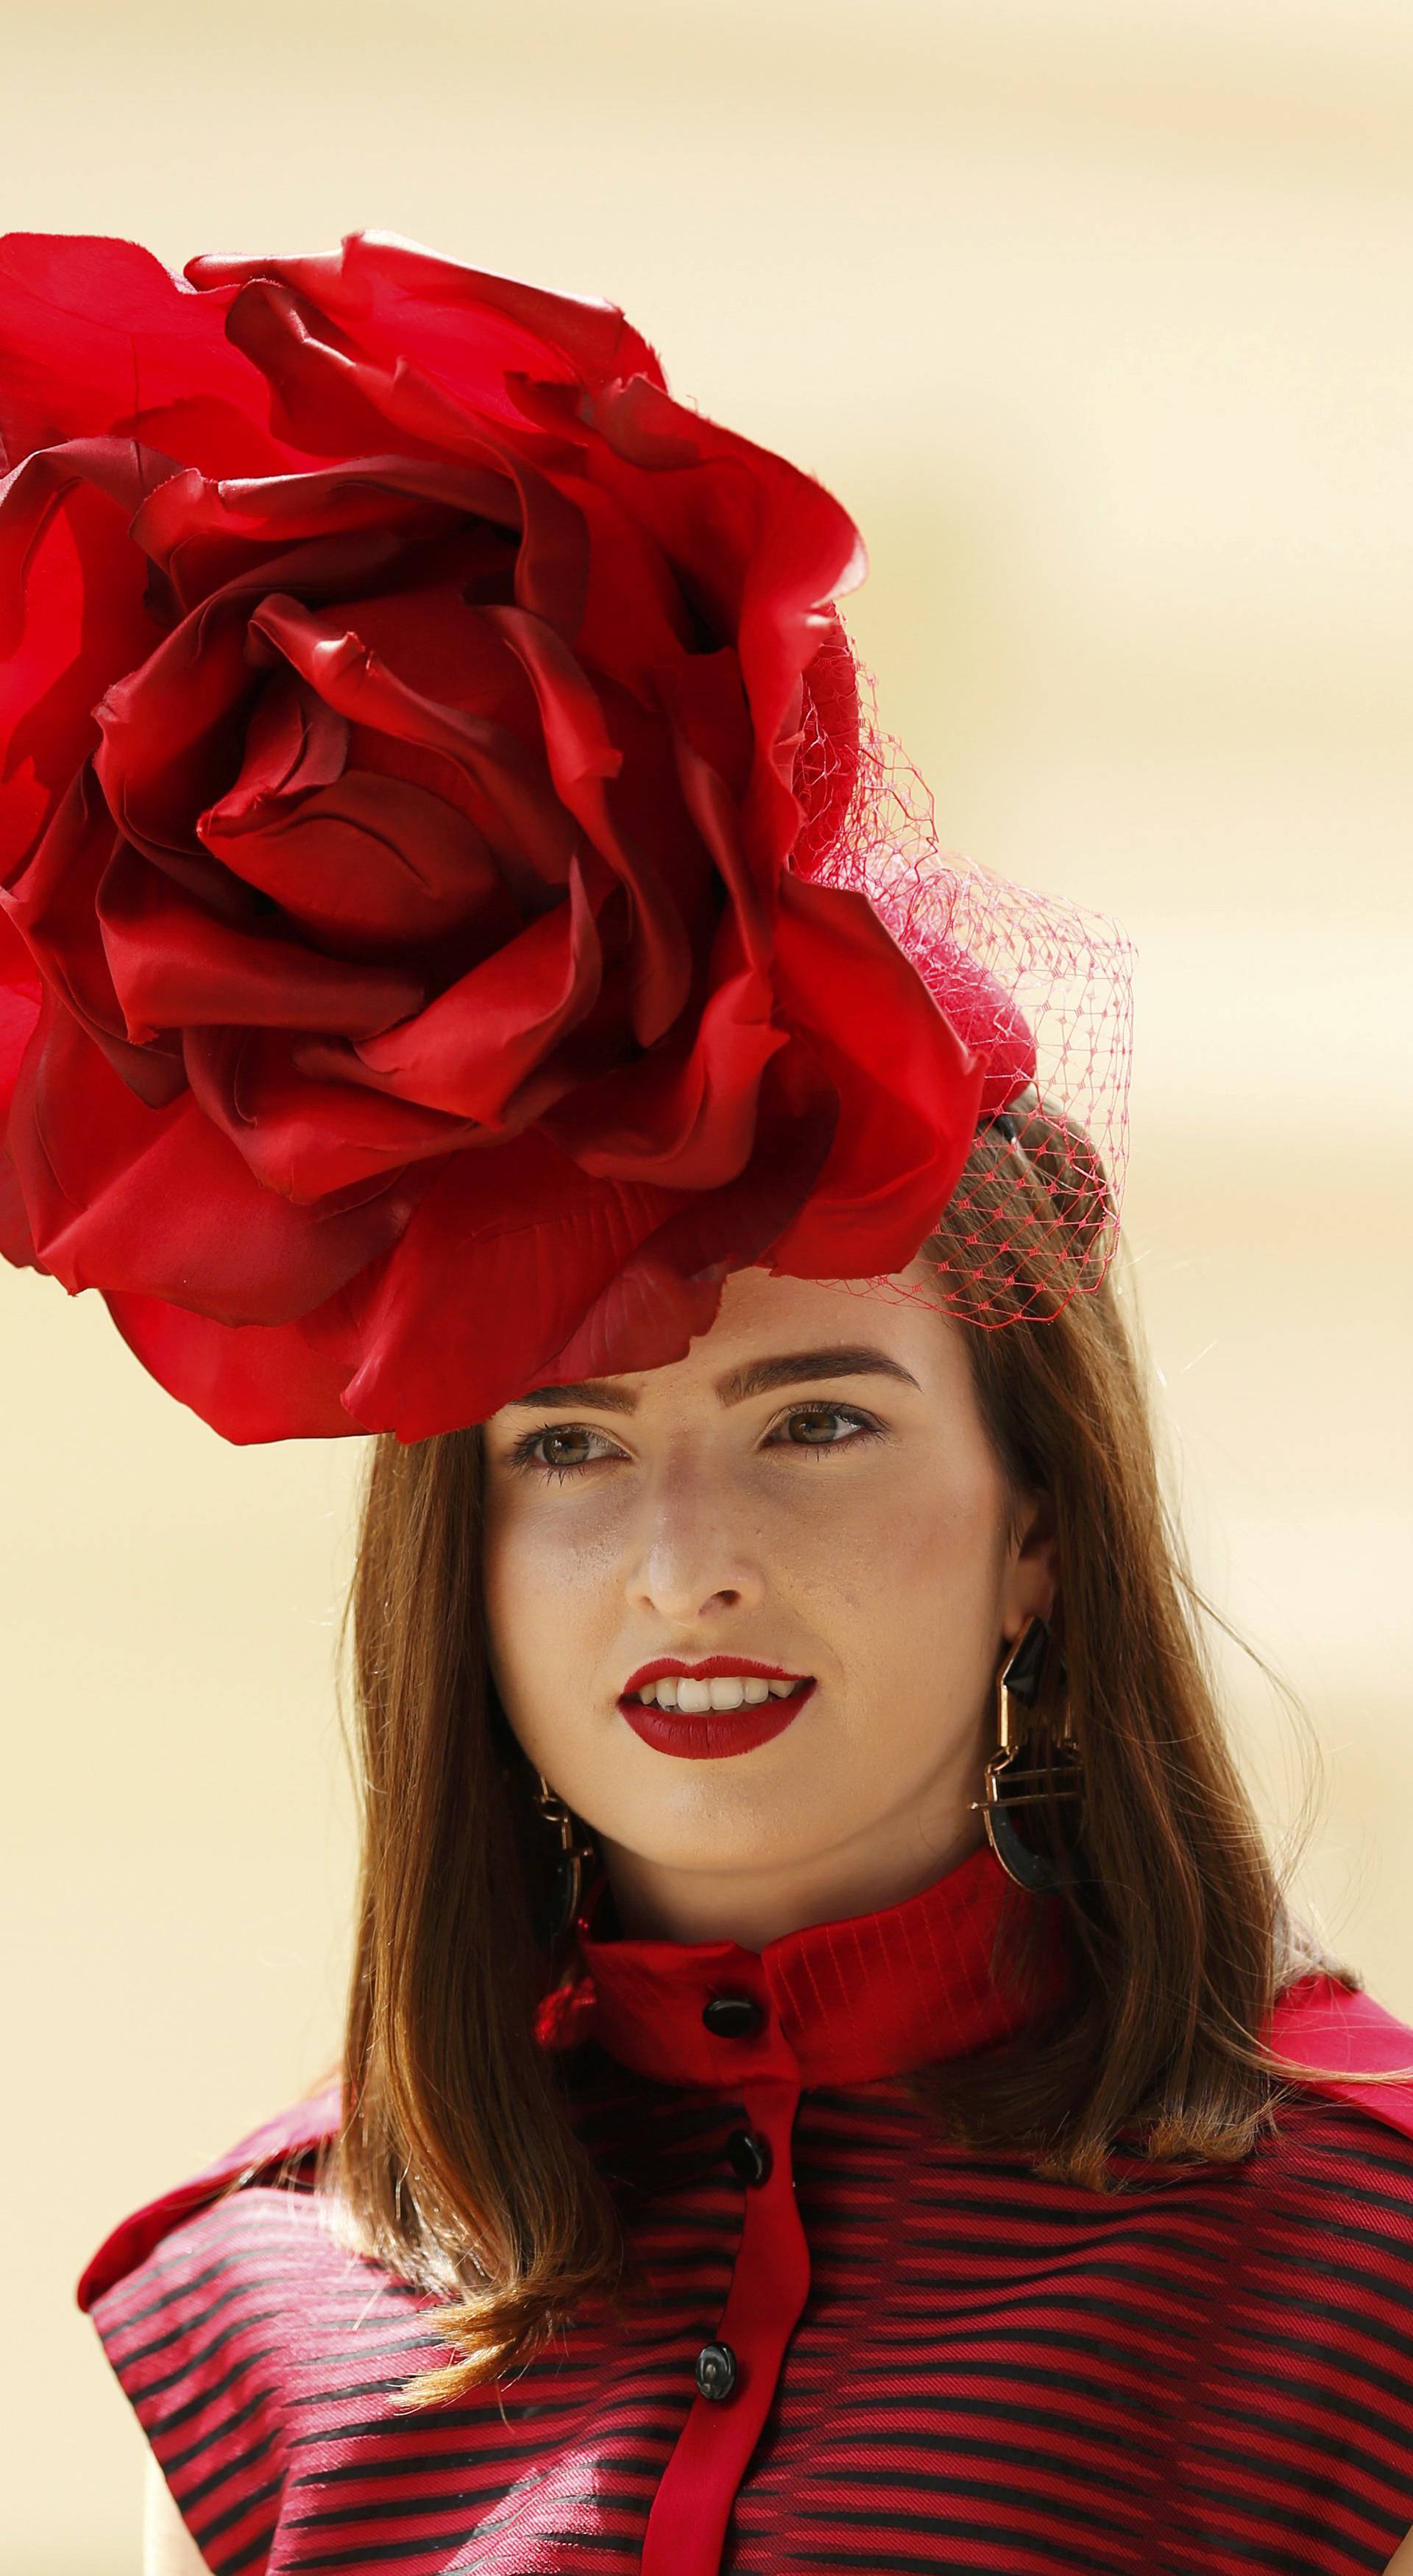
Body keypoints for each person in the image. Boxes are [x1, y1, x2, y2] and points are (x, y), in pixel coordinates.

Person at [3, 230, 1412, 2576]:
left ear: (1038, 1514)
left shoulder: (1360, 2267)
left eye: (821, 1417)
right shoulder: (266, 2306)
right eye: (565, 1444)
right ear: (453, 1555)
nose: (689, 1554)